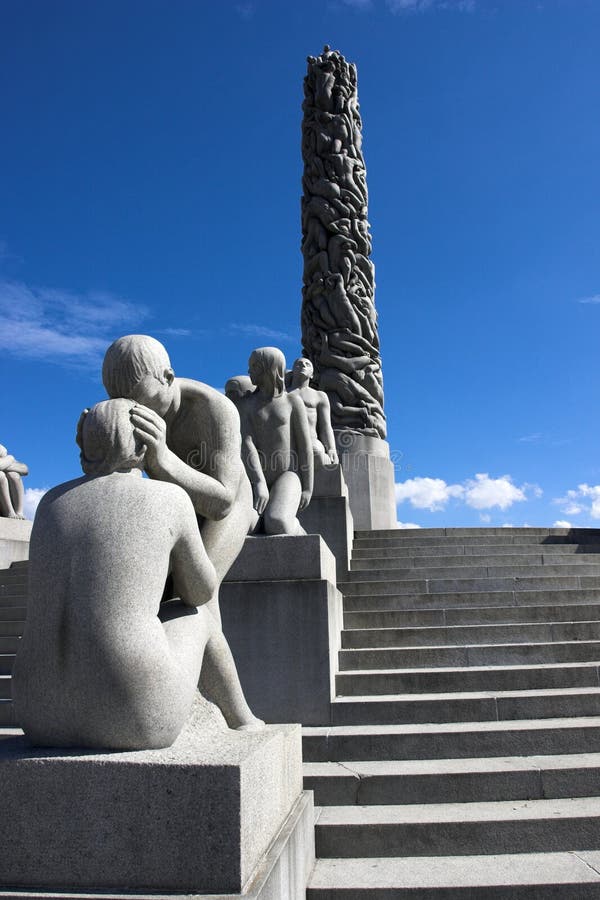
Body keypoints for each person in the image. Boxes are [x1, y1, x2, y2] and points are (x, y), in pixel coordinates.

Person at [12, 399, 251, 750]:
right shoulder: (170, 498)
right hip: (135, 712)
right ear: (145, 443)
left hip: (35, 711)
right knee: (198, 616)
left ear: (83, 440)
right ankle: (243, 719)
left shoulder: (49, 504)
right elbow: (200, 591)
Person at [101, 334, 263, 731]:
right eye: (123, 401)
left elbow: (223, 500)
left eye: (140, 398)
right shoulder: (136, 409)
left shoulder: (214, 409)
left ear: (168, 377)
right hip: (174, 513)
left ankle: (239, 716)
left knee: (198, 600)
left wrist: (163, 460)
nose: (132, 410)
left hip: (226, 510)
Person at [240, 347, 313, 536]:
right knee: (245, 525)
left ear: (269, 368)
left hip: (287, 476)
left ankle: (299, 531)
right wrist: (258, 483)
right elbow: (247, 445)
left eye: (254, 366)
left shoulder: (292, 402)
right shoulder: (247, 404)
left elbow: (305, 447)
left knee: (277, 522)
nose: (249, 371)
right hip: (255, 478)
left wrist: (307, 487)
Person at [287, 357, 338, 469]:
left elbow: (325, 427)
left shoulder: (319, 396)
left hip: (312, 441)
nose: (303, 365)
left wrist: (331, 448)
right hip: (287, 442)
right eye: (299, 364)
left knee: (317, 454)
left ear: (312, 375)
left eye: (307, 364)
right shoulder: (284, 394)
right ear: (293, 371)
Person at [0, 444, 28, 519]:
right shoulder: (9, 459)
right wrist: (10, 459)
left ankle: (19, 512)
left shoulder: (6, 458)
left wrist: (7, 462)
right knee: (0, 475)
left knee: (13, 475)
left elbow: (25, 469)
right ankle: (9, 512)